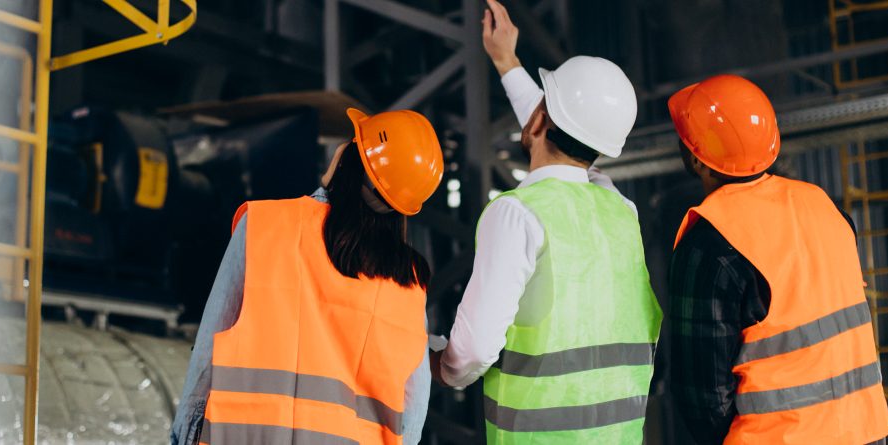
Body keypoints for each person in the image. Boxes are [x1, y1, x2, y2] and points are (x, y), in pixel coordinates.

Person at [429, 1, 663, 443]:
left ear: (539, 118)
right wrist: (507, 62)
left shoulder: (517, 214)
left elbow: (473, 352)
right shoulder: (620, 212)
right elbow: (568, 138)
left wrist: (440, 366)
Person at [169, 108, 444, 445]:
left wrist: (183, 436)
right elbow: (412, 407)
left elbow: (208, 353)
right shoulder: (409, 282)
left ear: (347, 157)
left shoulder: (264, 226)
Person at [667, 74, 888, 444]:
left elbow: (702, 399)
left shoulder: (710, 245)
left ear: (697, 159)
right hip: (866, 434)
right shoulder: (826, 209)